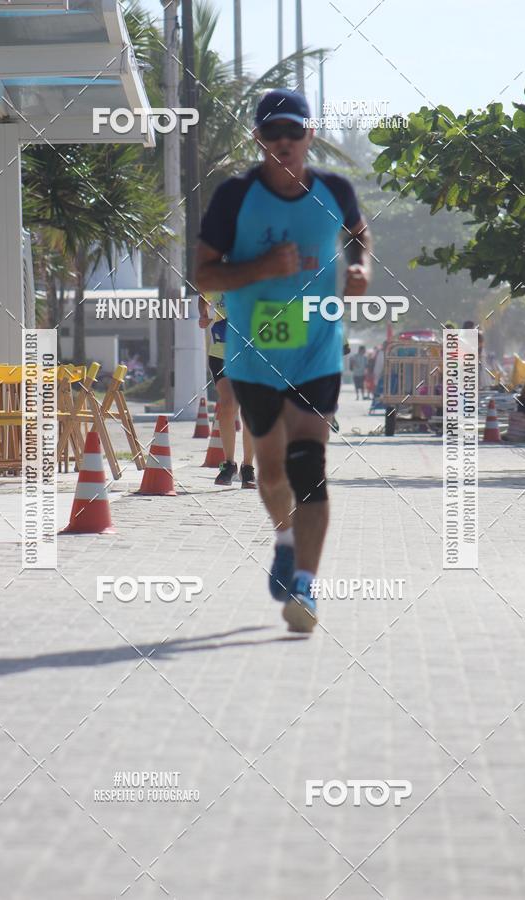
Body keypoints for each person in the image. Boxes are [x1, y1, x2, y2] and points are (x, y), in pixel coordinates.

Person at [195, 88, 371, 632]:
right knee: (270, 472)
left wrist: (360, 267)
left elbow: (359, 233)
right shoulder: (234, 197)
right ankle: (285, 540)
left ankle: (306, 589)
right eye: (273, 134)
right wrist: (261, 268)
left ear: (309, 135)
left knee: (308, 468)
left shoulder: (334, 190)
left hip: (316, 350)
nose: (284, 143)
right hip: (254, 356)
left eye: (294, 132)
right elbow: (203, 275)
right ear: (259, 140)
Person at [198, 293, 256, 487]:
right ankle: (229, 464)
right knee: (228, 404)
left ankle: (247, 467)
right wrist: (204, 315)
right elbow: (203, 297)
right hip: (220, 354)